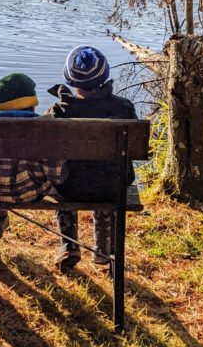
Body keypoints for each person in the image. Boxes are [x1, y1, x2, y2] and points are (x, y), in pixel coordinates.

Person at [46, 45, 139, 272]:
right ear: (104, 75)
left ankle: (69, 245)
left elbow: (43, 148)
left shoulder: (59, 111)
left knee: (63, 178)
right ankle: (102, 249)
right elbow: (137, 148)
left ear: (70, 79)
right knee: (106, 175)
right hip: (112, 186)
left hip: (71, 187)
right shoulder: (124, 108)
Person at [0, 73, 67, 239]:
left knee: (1, 172)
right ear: (33, 105)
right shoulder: (43, 130)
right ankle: (69, 244)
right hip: (31, 192)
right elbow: (57, 176)